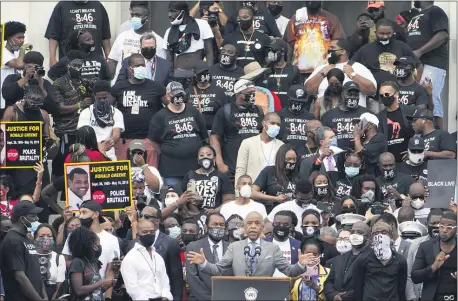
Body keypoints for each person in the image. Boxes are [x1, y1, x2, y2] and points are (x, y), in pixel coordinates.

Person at [187, 211, 316, 277]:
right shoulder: (234, 247)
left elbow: (289, 271)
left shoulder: (273, 249)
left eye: (257, 223)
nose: (253, 227)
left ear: (263, 227)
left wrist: (300, 264)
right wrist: (203, 263)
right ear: (244, 227)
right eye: (249, 223)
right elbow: (218, 270)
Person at [148, 81, 209, 187]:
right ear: (167, 95)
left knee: (195, 198)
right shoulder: (160, 116)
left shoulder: (193, 111)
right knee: (174, 197)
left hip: (194, 167)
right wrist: (167, 151)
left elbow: (204, 135)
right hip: (172, 169)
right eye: (174, 94)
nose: (178, 97)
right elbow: (153, 140)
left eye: (180, 93)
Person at [111, 53, 166, 166]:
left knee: (150, 173)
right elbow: (108, 108)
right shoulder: (119, 87)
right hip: (124, 140)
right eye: (137, 66)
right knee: (125, 176)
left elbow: (170, 107)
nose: (141, 68)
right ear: (129, 69)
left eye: (142, 65)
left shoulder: (156, 87)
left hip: (149, 140)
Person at [62, 200, 120, 301]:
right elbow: (65, 261)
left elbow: (110, 270)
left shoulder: (112, 239)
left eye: (84, 212)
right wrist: (80, 268)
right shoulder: (75, 236)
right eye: (80, 213)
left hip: (99, 294)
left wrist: (108, 297)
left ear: (96, 214)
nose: (80, 216)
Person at [351, 18, 422, 100]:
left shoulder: (402, 46)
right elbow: (350, 66)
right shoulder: (366, 49)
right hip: (375, 98)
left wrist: (414, 86)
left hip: (399, 96)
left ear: (393, 32)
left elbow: (419, 66)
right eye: (382, 33)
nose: (385, 36)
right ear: (375, 33)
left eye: (388, 33)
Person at [124, 205, 184, 300]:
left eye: (147, 216)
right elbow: (132, 284)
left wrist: (173, 298)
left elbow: (176, 276)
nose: (143, 219)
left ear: (158, 220)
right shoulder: (132, 244)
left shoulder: (170, 243)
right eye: (141, 216)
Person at [210, 79, 264, 180]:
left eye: (253, 93)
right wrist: (219, 162)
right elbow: (214, 137)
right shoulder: (225, 111)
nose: (253, 96)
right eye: (249, 93)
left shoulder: (259, 110)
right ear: (239, 94)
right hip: (232, 165)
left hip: (255, 166)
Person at [407, 1, 449, 129]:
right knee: (420, 98)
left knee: (431, 95)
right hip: (417, 65)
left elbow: (443, 35)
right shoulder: (416, 15)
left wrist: (420, 51)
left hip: (433, 63)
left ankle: (437, 133)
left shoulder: (435, 11)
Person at [51, 51, 93, 178]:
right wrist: (80, 105)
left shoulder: (84, 82)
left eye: (81, 66)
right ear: (68, 65)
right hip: (65, 131)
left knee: (81, 164)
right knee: (61, 163)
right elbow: (60, 108)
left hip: (82, 130)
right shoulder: (58, 83)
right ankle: (57, 192)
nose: (78, 69)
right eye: (75, 66)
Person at [305, 39, 377, 109]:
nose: (329, 50)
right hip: (327, 117)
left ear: (343, 51)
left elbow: (371, 90)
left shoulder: (358, 67)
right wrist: (322, 73)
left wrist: (353, 74)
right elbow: (307, 90)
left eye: (332, 48)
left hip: (353, 116)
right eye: (329, 48)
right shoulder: (322, 67)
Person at [108, 1, 167, 83]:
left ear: (147, 17)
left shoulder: (159, 41)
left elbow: (161, 67)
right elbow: (112, 61)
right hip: (122, 86)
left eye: (138, 15)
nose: (134, 18)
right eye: (132, 15)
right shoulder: (122, 36)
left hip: (145, 87)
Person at [285, 1, 344, 79]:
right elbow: (288, 44)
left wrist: (335, 66)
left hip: (323, 71)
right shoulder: (295, 19)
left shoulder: (331, 19)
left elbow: (339, 44)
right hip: (298, 71)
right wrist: (288, 68)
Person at [0, 201, 47, 301]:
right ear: (22, 218)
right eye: (33, 216)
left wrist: (44, 296)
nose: (37, 219)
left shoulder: (28, 238)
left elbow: (36, 272)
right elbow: (19, 276)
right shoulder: (12, 241)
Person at [352, 221, 408, 301]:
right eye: (376, 233)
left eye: (384, 232)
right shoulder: (362, 259)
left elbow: (401, 288)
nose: (380, 235)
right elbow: (358, 287)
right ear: (372, 237)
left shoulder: (400, 260)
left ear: (390, 235)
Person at [120, 219, 173, 301]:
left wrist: (166, 296)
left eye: (152, 232)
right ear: (138, 236)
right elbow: (132, 288)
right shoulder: (130, 258)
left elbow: (164, 280)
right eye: (145, 232)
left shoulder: (158, 256)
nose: (149, 234)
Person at [45, 0, 111, 65]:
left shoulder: (98, 5)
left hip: (95, 63)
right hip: (70, 62)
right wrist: (52, 59)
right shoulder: (62, 6)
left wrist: (108, 58)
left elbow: (105, 36)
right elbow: (53, 35)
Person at [412, 212, 457, 301]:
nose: (444, 230)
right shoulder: (426, 247)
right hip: (433, 297)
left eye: (449, 227)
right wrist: (433, 267)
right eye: (441, 226)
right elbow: (415, 277)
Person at [186, 212, 230, 300]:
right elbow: (192, 277)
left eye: (221, 225)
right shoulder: (193, 246)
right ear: (206, 227)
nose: (218, 227)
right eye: (214, 224)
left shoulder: (232, 247)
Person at [77, 80, 124, 161]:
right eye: (99, 98)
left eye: (105, 98)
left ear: (109, 95)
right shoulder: (86, 112)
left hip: (109, 155)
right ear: (94, 96)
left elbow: (116, 134)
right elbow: (84, 135)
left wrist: (111, 140)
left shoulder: (116, 113)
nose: (102, 100)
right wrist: (99, 147)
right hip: (90, 155)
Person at [323, 221, 371, 300]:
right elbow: (329, 282)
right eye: (353, 232)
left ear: (368, 236)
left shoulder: (372, 257)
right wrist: (334, 295)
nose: (355, 235)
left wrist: (344, 297)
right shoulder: (338, 259)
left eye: (360, 232)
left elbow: (366, 285)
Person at [235, 112, 283, 187]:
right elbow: (240, 169)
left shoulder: (281, 146)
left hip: (273, 191)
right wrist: (238, 191)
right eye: (272, 123)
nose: (275, 126)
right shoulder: (247, 143)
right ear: (264, 124)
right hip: (251, 189)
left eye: (278, 124)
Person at [67, 226, 115, 301]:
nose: (99, 247)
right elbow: (78, 290)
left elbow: (96, 291)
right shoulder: (77, 262)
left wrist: (108, 284)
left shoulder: (94, 262)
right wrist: (101, 282)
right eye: (97, 245)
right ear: (88, 245)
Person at [2, 51, 57, 116]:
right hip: (16, 121)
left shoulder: (45, 83)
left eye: (36, 67)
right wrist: (26, 78)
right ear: (24, 66)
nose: (33, 70)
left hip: (37, 122)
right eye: (30, 67)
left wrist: (41, 85)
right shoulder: (12, 78)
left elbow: (53, 108)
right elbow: (6, 95)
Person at [181, 145, 234, 211]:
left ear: (214, 158)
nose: (205, 157)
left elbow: (229, 200)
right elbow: (182, 199)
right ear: (198, 160)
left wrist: (216, 210)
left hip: (215, 216)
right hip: (194, 214)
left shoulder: (222, 176)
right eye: (201, 155)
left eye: (208, 154)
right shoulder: (190, 175)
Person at [405, 208, 442, 301]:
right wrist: (411, 297)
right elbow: (409, 275)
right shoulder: (416, 244)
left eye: (440, 223)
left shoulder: (449, 246)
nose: (436, 226)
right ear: (427, 224)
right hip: (418, 296)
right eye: (433, 223)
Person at [165, 1, 215, 70]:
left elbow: (209, 52)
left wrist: (209, 72)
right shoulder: (169, 32)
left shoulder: (202, 25)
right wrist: (171, 76)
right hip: (179, 74)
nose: (169, 15)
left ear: (183, 12)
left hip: (198, 73)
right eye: (169, 11)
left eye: (173, 11)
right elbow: (169, 60)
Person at [321, 81, 370, 150]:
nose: (353, 97)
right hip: (335, 156)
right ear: (342, 94)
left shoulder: (367, 114)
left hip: (359, 156)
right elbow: (322, 138)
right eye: (349, 94)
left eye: (355, 95)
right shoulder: (329, 116)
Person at [252, 144, 298, 213]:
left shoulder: (297, 175)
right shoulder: (269, 171)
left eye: (294, 159)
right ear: (281, 158)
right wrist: (275, 198)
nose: (292, 162)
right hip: (271, 210)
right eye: (288, 159)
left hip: (292, 213)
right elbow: (252, 193)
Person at [377, 81, 415, 163]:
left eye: (387, 94)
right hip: (388, 163)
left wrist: (413, 151)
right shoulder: (379, 117)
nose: (384, 97)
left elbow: (418, 134)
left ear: (396, 94)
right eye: (381, 95)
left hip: (409, 161)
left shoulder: (410, 112)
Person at [185, 61, 231, 130]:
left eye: (206, 73)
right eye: (200, 74)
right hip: (194, 129)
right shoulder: (188, 91)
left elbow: (226, 112)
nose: (203, 76)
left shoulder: (219, 91)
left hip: (213, 129)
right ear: (195, 75)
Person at [1, 21, 29, 117]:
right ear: (9, 39)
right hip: (3, 100)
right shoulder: (3, 53)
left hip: (14, 99)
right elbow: (19, 64)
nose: (22, 41)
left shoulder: (15, 55)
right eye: (19, 38)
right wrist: (22, 49)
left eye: (23, 37)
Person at [33, 224, 66, 301]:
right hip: (32, 294)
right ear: (35, 239)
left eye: (49, 236)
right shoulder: (30, 256)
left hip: (52, 295)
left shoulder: (59, 258)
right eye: (41, 236)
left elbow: (60, 285)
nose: (45, 238)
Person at [277, 85, 315, 150]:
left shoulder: (310, 118)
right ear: (288, 98)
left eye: (300, 102)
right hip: (284, 152)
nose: (297, 104)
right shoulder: (279, 115)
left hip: (304, 153)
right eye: (294, 101)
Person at [264, 210, 302, 276]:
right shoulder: (262, 243)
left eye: (285, 224)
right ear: (273, 225)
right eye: (277, 224)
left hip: (291, 283)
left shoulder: (299, 245)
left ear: (291, 226)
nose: (281, 226)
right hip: (267, 283)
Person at [265, 39, 301, 108]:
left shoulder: (293, 70)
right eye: (269, 50)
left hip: (288, 109)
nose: (270, 53)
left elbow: (298, 92)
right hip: (271, 109)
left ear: (282, 52)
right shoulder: (266, 70)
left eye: (274, 51)